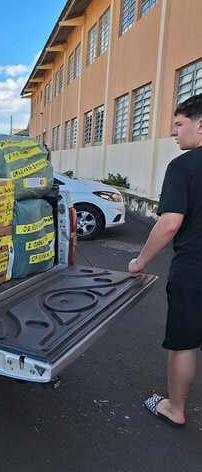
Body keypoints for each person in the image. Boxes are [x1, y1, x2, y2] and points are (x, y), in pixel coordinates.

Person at [129, 93, 202, 429]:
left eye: (179, 124)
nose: (173, 133)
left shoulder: (183, 167)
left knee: (185, 343)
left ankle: (174, 407)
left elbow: (170, 222)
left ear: (200, 126)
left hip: (194, 271)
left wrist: (141, 260)